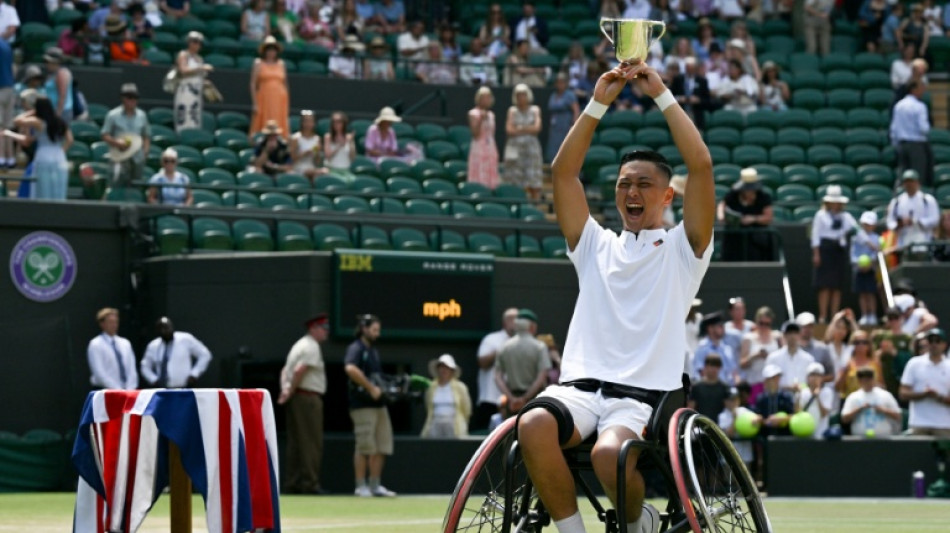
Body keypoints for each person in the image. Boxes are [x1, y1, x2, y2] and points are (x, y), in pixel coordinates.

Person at [518, 59, 714, 533]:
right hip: (581, 388)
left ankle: (637, 521)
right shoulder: (595, 243)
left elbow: (701, 165)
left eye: (644, 184)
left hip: (643, 398)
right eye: (625, 183)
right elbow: (564, 173)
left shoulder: (683, 249)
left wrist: (662, 94)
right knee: (532, 425)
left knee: (610, 453)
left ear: (668, 197)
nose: (632, 190)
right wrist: (598, 102)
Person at [343, 314, 397, 497]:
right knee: (365, 446)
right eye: (374, 330)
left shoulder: (373, 350)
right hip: (362, 405)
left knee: (382, 445)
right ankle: (360, 486)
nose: (377, 334)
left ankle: (375, 485)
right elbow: (350, 368)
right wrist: (371, 388)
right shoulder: (356, 348)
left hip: (379, 405)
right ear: (364, 329)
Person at [278, 314, 330, 495]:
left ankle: (292, 483)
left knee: (296, 443)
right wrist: (290, 390)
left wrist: (285, 390)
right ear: (313, 328)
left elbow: (285, 370)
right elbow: (300, 370)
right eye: (324, 328)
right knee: (311, 443)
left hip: (296, 398)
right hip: (307, 399)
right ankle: (309, 484)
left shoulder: (299, 345)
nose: (326, 332)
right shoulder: (311, 346)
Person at [3, 96, 71, 201]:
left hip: (43, 157)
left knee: (43, 192)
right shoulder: (61, 122)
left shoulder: (38, 122)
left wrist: (31, 112)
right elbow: (70, 140)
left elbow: (17, 120)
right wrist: (61, 152)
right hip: (60, 158)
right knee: (58, 192)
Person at [812, 185, 858, 324]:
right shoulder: (820, 215)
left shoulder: (846, 216)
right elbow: (815, 235)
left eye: (837, 201)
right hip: (825, 249)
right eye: (833, 201)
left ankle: (834, 316)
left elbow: (857, 229)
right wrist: (816, 254)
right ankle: (822, 316)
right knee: (825, 286)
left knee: (837, 286)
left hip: (839, 251)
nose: (836, 204)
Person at [495, 308, 550, 418]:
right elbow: (542, 376)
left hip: (512, 403)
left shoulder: (504, 347)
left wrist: (512, 398)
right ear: (532, 327)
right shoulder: (539, 347)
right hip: (535, 401)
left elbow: (498, 377)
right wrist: (525, 399)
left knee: (512, 433)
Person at [472, 307, 518, 431]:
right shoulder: (491, 339)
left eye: (518, 320)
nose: (516, 323)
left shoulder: (523, 343)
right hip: (490, 401)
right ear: (504, 322)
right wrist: (503, 348)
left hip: (514, 402)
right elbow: (482, 363)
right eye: (512, 320)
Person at [718, 168, 774, 261]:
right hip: (734, 239)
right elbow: (722, 205)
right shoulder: (733, 195)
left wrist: (753, 219)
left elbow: (768, 217)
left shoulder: (763, 197)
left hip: (756, 240)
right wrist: (721, 216)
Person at [139, 316, 212, 388]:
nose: (164, 331)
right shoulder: (153, 345)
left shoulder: (185, 339)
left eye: (166, 327)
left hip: (183, 387)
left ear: (171, 327)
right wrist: (153, 379)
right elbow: (145, 366)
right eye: (161, 328)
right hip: (162, 389)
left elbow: (205, 354)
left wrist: (194, 374)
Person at [101, 83, 150, 187]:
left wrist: (145, 153)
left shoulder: (142, 116)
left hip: (137, 158)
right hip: (119, 157)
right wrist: (116, 142)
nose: (133, 100)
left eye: (135, 97)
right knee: (116, 185)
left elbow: (146, 136)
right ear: (123, 98)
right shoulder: (112, 115)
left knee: (136, 186)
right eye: (129, 97)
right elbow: (104, 134)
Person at [503, 83, 543, 200]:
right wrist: (527, 128)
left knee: (533, 181)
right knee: (515, 180)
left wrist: (519, 128)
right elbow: (509, 130)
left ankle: (535, 208)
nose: (521, 97)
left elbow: (537, 128)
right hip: (515, 150)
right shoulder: (512, 110)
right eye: (518, 95)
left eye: (523, 95)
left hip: (532, 150)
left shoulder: (535, 109)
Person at [891, 81, 933, 187]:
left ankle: (899, 196)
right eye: (921, 88)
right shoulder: (920, 106)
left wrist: (896, 144)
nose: (923, 90)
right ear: (913, 89)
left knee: (902, 175)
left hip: (902, 144)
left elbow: (894, 128)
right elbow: (924, 128)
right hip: (917, 145)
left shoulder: (898, 105)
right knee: (918, 176)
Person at [886, 169, 940, 249]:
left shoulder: (927, 199)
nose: (909, 184)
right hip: (903, 240)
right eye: (907, 182)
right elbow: (890, 222)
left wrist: (916, 221)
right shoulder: (896, 201)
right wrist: (899, 224)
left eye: (911, 181)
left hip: (924, 240)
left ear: (917, 182)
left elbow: (935, 219)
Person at [421, 354, 471, 438]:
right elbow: (428, 406)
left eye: (447, 367)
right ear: (437, 369)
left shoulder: (460, 387)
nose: (444, 370)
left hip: (454, 425)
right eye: (441, 367)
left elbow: (467, 409)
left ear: (452, 371)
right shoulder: (431, 387)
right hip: (435, 424)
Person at [87, 307, 138, 390]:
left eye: (116, 322)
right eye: (110, 322)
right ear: (102, 324)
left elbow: (131, 369)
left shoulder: (125, 343)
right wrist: (117, 389)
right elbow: (99, 373)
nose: (114, 325)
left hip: (127, 391)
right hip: (105, 391)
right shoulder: (95, 344)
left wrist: (130, 388)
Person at [842, 366, 903, 436]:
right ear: (859, 381)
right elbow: (844, 419)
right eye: (865, 380)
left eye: (870, 379)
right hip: (859, 440)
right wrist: (859, 409)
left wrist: (883, 410)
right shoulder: (853, 397)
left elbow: (898, 416)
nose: (868, 382)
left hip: (883, 439)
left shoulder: (886, 395)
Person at [249, 36, 289, 138]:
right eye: (269, 50)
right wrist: (255, 103)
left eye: (273, 50)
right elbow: (253, 84)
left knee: (279, 121)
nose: (271, 53)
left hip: (280, 98)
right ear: (265, 51)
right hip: (264, 97)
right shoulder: (258, 63)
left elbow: (285, 83)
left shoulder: (281, 64)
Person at [740, 306, 782, 403]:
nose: (763, 327)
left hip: (773, 385)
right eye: (761, 323)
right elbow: (742, 364)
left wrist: (769, 357)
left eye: (767, 324)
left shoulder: (777, 337)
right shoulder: (748, 338)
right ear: (756, 321)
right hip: (754, 383)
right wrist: (755, 356)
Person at [873, 306, 915, 401]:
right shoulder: (881, 336)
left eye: (896, 318)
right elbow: (872, 355)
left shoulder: (908, 338)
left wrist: (894, 352)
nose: (893, 321)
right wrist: (881, 352)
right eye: (890, 318)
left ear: (901, 318)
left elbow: (911, 358)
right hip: (885, 376)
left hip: (900, 377)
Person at [173, 31, 212, 133]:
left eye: (199, 43)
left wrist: (205, 83)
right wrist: (201, 67)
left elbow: (200, 76)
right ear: (189, 42)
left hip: (197, 92)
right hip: (185, 90)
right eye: (194, 42)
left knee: (195, 116)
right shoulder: (183, 55)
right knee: (184, 116)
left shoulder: (199, 58)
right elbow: (183, 70)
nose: (196, 45)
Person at [765, 321, 816, 392]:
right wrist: (788, 388)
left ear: (800, 335)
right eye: (789, 333)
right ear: (784, 335)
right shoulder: (773, 357)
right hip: (780, 400)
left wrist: (801, 386)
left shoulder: (808, 359)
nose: (792, 336)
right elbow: (768, 382)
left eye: (795, 333)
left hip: (802, 399)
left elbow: (811, 383)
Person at [836, 329, 884, 402]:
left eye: (864, 342)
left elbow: (882, 386)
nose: (860, 345)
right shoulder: (846, 362)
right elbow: (838, 387)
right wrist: (846, 370)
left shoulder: (876, 363)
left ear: (869, 345)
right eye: (857, 342)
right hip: (851, 402)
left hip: (872, 402)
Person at [693, 312, 740, 384]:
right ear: (710, 328)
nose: (723, 329)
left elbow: (734, 372)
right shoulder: (702, 348)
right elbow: (702, 372)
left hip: (727, 391)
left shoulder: (727, 348)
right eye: (720, 326)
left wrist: (739, 385)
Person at [851, 211, 881, 325]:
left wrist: (870, 264)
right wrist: (858, 263)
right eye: (865, 224)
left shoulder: (877, 238)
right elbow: (853, 255)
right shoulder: (855, 239)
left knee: (870, 293)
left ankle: (872, 315)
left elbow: (877, 254)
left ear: (874, 225)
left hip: (871, 270)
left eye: (870, 224)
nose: (867, 226)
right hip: (859, 270)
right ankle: (864, 315)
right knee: (862, 294)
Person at [467, 86, 500, 190]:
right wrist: (481, 118)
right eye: (484, 97)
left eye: (488, 97)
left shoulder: (491, 115)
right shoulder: (473, 113)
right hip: (478, 147)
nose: (487, 100)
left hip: (490, 147)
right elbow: (475, 134)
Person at [750, 364, 795, 438]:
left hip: (784, 438)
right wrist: (765, 421)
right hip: (765, 439)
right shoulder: (760, 398)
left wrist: (782, 419)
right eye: (772, 378)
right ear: (766, 380)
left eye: (777, 377)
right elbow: (757, 416)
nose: (776, 380)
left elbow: (794, 415)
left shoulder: (786, 396)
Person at [544, 74, 580, 163]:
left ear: (565, 83)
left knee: (564, 147)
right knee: (553, 147)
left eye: (562, 82)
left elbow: (576, 110)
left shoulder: (569, 95)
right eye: (558, 83)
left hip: (565, 124)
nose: (560, 85)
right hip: (555, 125)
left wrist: (574, 125)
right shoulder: (553, 95)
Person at [670, 57, 711, 131]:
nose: (689, 70)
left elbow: (708, 101)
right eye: (688, 67)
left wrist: (698, 100)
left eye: (691, 68)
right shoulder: (678, 80)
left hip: (696, 114)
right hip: (680, 112)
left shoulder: (702, 81)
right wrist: (679, 98)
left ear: (695, 68)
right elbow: (669, 97)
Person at [689, 353, 732, 420]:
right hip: (699, 424)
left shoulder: (725, 387)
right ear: (705, 367)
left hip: (718, 427)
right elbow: (690, 409)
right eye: (712, 365)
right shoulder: (696, 386)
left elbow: (729, 409)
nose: (714, 369)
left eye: (717, 366)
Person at [796, 312, 835, 384]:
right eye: (804, 326)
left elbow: (831, 375)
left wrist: (816, 381)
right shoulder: (792, 348)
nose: (807, 329)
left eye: (810, 326)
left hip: (818, 391)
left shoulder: (822, 348)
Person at [289, 109, 328, 182]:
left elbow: (317, 162)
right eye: (306, 121)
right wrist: (304, 154)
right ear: (302, 123)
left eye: (310, 121)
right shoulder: (295, 138)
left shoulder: (317, 139)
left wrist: (317, 153)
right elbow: (292, 159)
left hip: (311, 167)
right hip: (299, 168)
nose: (308, 124)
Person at [798, 362, 834, 438]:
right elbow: (798, 413)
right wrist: (797, 395)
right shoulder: (803, 392)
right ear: (807, 378)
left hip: (822, 435)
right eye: (812, 375)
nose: (815, 378)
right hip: (806, 434)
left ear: (822, 378)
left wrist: (817, 397)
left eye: (818, 375)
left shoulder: (827, 392)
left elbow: (824, 414)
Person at [43, 47, 74, 123]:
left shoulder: (61, 73)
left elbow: (62, 96)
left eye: (48, 61)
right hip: (53, 111)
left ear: (56, 62)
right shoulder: (53, 73)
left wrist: (57, 115)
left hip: (61, 113)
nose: (46, 64)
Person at [324, 111, 357, 177]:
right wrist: (339, 146)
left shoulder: (349, 137)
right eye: (334, 122)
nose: (336, 124)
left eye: (339, 122)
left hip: (346, 171)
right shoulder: (328, 137)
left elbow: (353, 157)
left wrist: (350, 142)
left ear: (344, 123)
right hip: (332, 170)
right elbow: (328, 156)